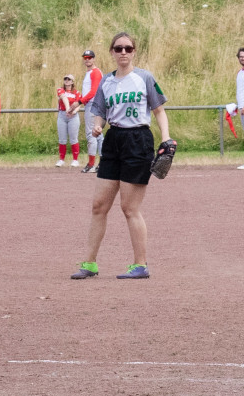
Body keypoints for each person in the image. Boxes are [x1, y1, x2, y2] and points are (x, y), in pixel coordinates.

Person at [72, 31, 173, 281]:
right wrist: (98, 125)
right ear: (112, 52)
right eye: (118, 48)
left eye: (128, 48)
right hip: (114, 140)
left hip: (138, 140)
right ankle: (90, 263)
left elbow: (159, 110)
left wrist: (166, 138)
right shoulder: (106, 82)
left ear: (134, 51)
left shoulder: (144, 78)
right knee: (99, 206)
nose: (123, 52)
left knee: (129, 208)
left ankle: (140, 265)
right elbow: (100, 111)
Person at [76, 49, 103, 173]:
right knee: (98, 134)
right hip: (93, 104)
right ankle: (101, 164)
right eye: (85, 58)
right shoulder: (90, 73)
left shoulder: (95, 72)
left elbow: (93, 92)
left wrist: (80, 101)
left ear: (94, 58)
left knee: (91, 133)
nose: (87, 60)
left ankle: (91, 164)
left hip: (93, 104)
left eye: (90, 58)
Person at [54, 76, 82, 166]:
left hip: (73, 116)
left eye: (69, 79)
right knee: (62, 138)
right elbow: (64, 98)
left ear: (72, 82)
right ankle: (61, 159)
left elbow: (79, 104)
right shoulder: (60, 90)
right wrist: (67, 109)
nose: (66, 81)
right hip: (63, 115)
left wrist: (73, 111)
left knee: (73, 138)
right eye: (65, 79)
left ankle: (75, 160)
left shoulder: (76, 92)